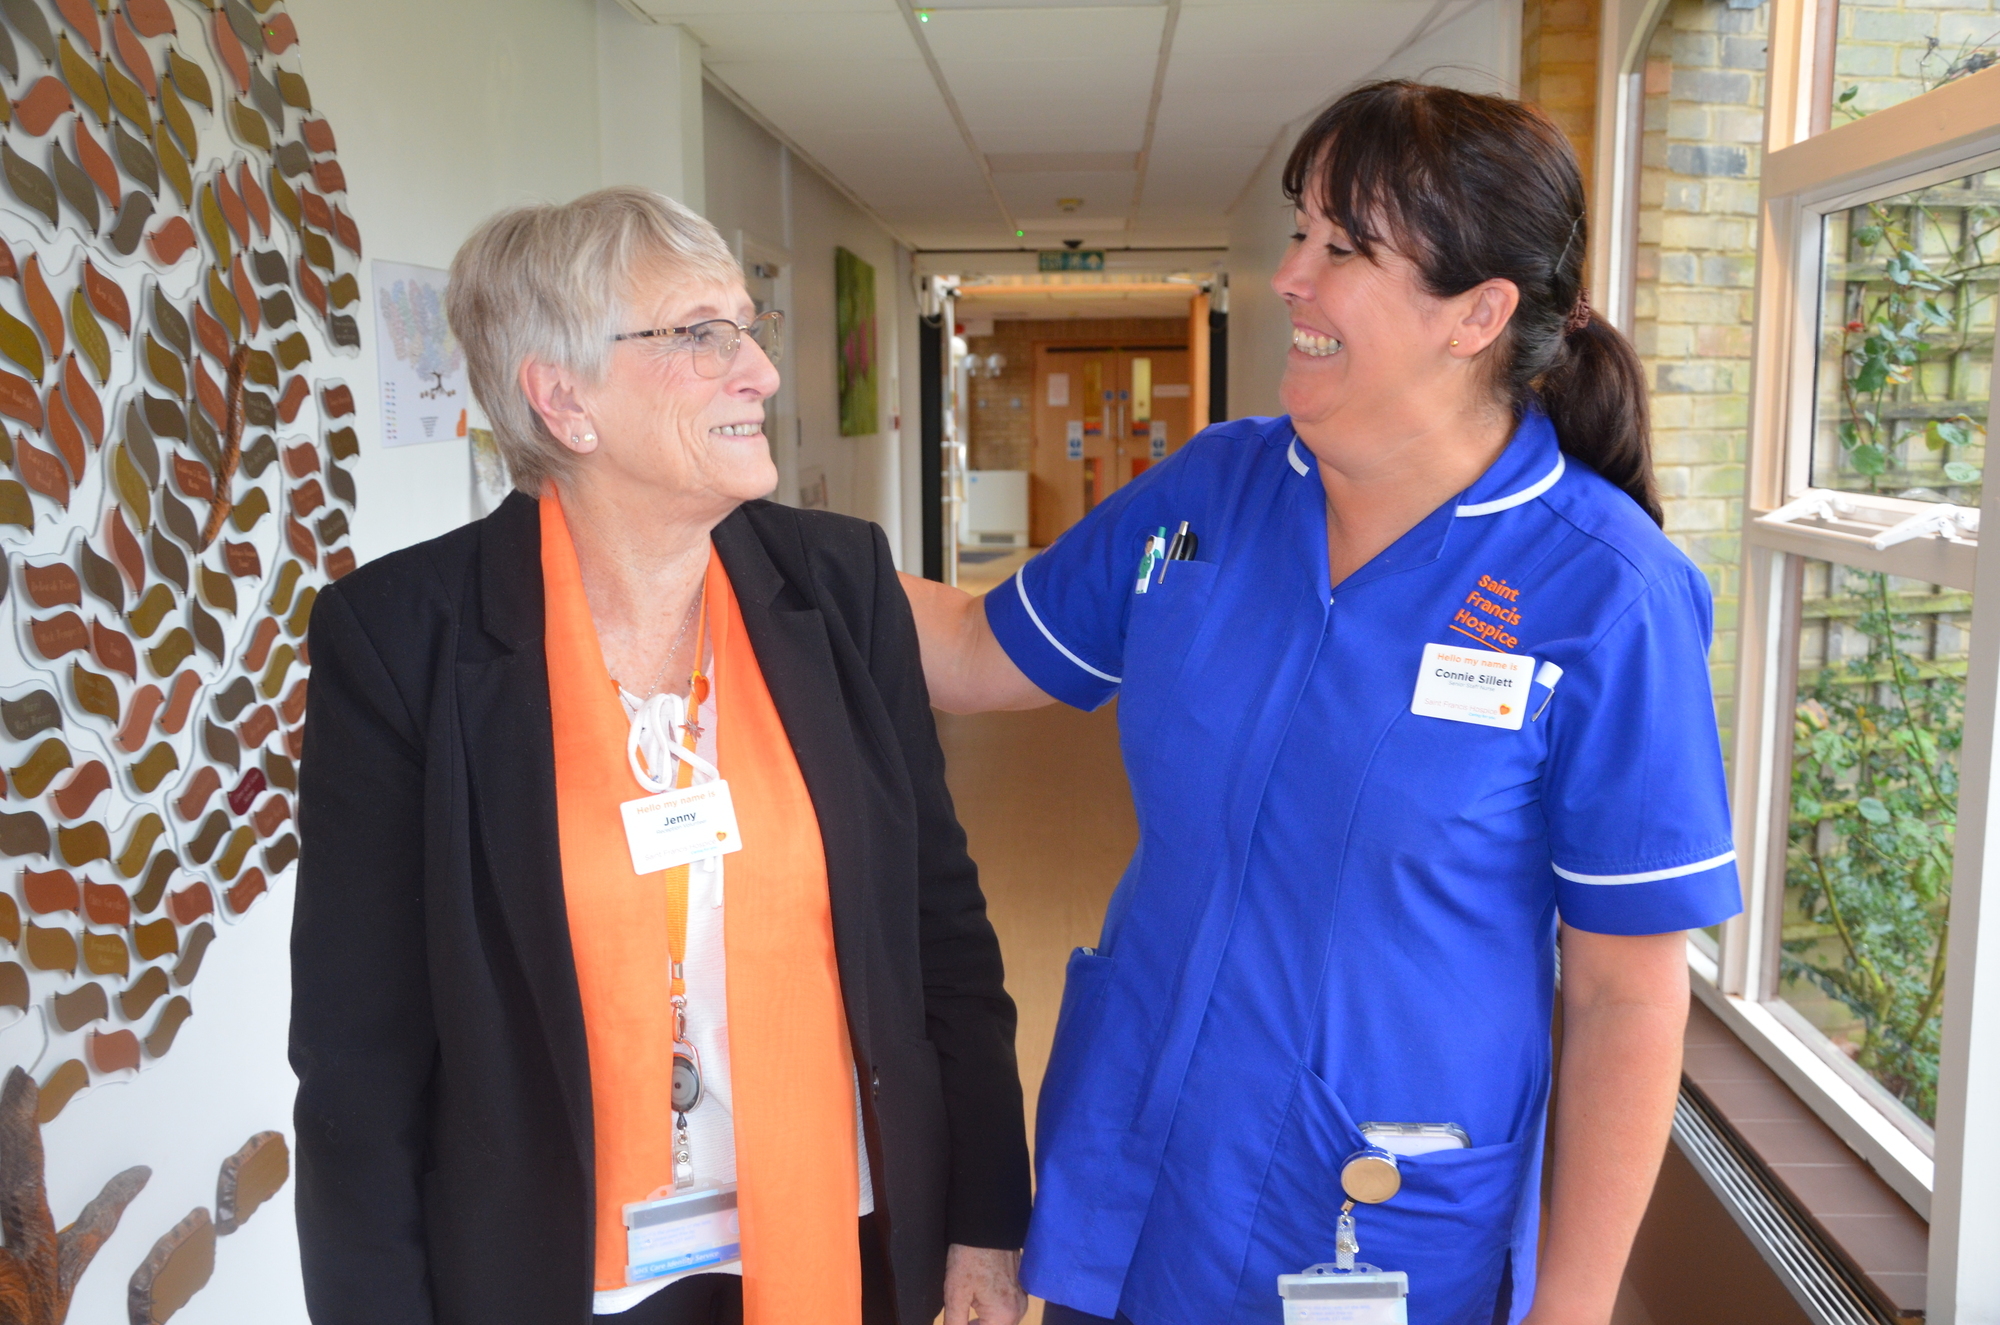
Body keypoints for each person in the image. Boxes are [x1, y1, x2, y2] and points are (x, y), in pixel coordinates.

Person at [902, 82, 1741, 1325]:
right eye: (1301, 231)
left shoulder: (1608, 595)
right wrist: (728, 538)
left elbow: (1625, 995)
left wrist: (1568, 1309)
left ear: (1477, 314)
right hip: (1136, 1181)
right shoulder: (1210, 496)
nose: (1289, 276)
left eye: (1343, 248)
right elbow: (976, 646)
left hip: (1378, 1210)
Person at [291, 187, 1031, 1325]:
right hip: (551, 1270)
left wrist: (985, 1217)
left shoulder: (838, 589)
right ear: (563, 398)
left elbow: (941, 930)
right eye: (699, 335)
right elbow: (359, 1059)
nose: (760, 373)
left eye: (747, 328)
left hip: (838, 1238)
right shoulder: (403, 642)